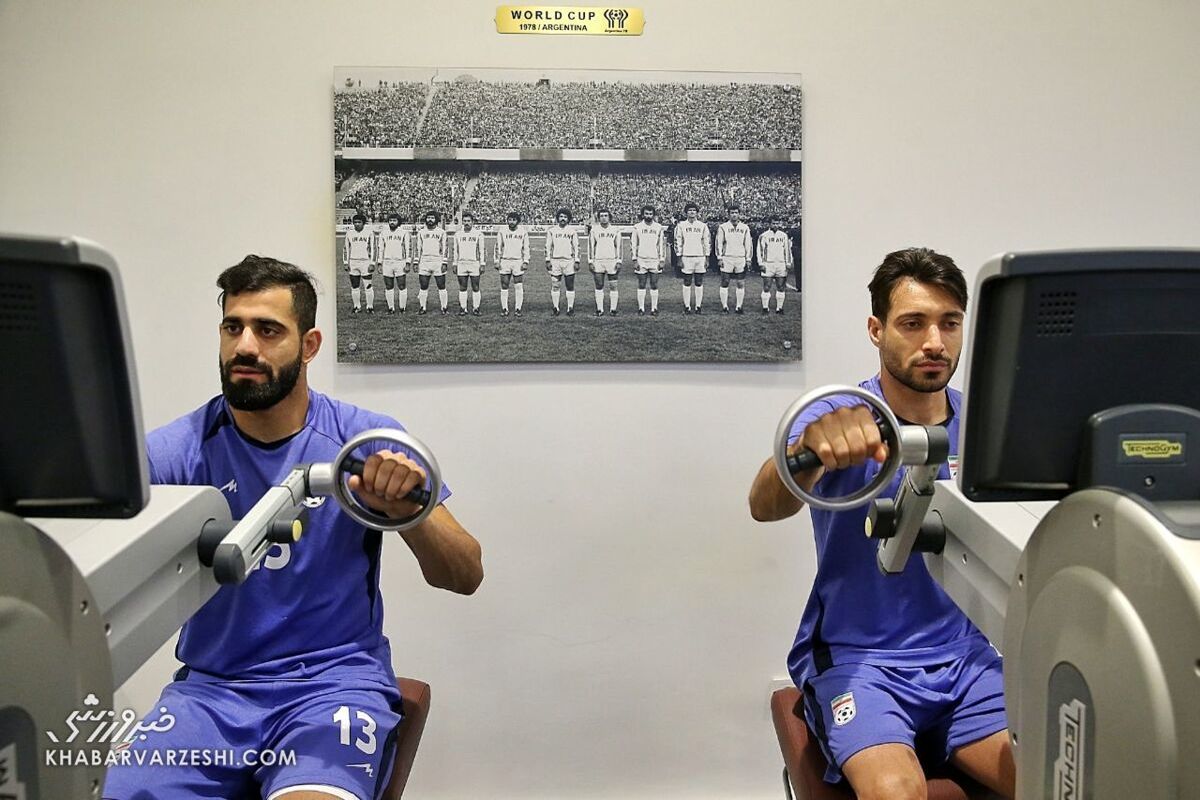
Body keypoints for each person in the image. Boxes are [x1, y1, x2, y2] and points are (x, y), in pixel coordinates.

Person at [102, 256, 484, 800]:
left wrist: (408, 512)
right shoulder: (177, 451)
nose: (245, 347)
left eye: (268, 330)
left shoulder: (362, 442)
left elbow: (464, 573)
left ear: (309, 345)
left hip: (331, 689)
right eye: (233, 327)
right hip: (210, 697)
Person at [747, 248, 1014, 800]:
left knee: (1059, 774)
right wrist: (809, 452)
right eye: (913, 323)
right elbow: (764, 503)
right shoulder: (838, 418)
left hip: (964, 657)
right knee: (896, 792)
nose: (934, 342)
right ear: (877, 330)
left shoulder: (985, 426)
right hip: (860, 659)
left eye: (949, 323)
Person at [674, 202, 710, 314]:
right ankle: (687, 306)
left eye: (694, 210)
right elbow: (678, 242)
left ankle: (698, 306)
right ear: (686, 213)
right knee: (687, 281)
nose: (692, 212)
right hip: (686, 256)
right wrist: (679, 257)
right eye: (690, 210)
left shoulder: (703, 226)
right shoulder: (681, 226)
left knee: (699, 281)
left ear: (697, 212)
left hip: (700, 256)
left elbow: (707, 242)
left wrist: (707, 257)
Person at [715, 205, 752, 313]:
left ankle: (739, 307)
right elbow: (719, 243)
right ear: (728, 214)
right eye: (732, 213)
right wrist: (719, 257)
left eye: (736, 212)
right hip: (727, 257)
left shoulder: (745, 228)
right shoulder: (723, 227)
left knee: (740, 283)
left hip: (740, 258)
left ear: (739, 214)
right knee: (725, 281)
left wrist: (748, 258)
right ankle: (724, 306)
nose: (734, 215)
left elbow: (748, 244)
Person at [630, 205, 665, 316]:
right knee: (641, 284)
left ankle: (654, 308)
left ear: (653, 215)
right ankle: (641, 308)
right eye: (646, 214)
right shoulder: (637, 227)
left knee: (654, 284)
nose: (648, 216)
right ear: (643, 214)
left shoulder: (658, 227)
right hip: (641, 259)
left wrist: (662, 259)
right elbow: (633, 244)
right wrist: (634, 260)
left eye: (650, 214)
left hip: (654, 259)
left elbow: (661, 245)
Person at [545, 207, 579, 316]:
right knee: (555, 285)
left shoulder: (572, 231)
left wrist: (577, 260)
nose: (562, 219)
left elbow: (576, 247)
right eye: (561, 216)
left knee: (570, 285)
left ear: (568, 219)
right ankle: (556, 308)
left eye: (565, 217)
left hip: (569, 261)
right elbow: (548, 246)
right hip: (555, 261)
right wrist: (547, 260)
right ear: (557, 218)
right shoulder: (552, 231)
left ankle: (570, 308)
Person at [588, 207, 622, 316]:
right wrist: (590, 261)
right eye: (601, 216)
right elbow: (591, 246)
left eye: (606, 216)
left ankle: (613, 309)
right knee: (599, 284)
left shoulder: (615, 230)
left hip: (612, 260)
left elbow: (619, 246)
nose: (603, 218)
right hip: (598, 261)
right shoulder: (594, 230)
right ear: (598, 218)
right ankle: (600, 309)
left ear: (609, 217)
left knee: (613, 285)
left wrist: (619, 261)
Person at [496, 211, 530, 317]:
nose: (511, 222)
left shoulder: (523, 232)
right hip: (505, 261)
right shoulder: (502, 231)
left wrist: (526, 261)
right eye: (509, 219)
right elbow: (498, 247)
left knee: (518, 285)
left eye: (514, 220)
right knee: (504, 285)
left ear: (518, 221)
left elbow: (526, 248)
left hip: (517, 261)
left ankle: (518, 308)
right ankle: (505, 308)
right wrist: (497, 261)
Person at [414, 210, 448, 315]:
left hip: (438, 261)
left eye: (432, 218)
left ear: (436, 219)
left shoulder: (441, 232)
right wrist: (416, 261)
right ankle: (422, 307)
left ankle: (444, 307)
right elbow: (417, 248)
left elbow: (445, 247)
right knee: (423, 285)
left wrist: (444, 262)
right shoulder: (421, 232)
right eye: (428, 218)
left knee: (441, 285)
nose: (430, 220)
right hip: (424, 261)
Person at [756, 216, 793, 314]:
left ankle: (779, 308)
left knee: (781, 286)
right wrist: (761, 263)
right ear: (770, 224)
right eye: (773, 223)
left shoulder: (783, 235)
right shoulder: (764, 236)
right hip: (768, 264)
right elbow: (759, 251)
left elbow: (787, 250)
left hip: (781, 264)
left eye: (777, 223)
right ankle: (765, 308)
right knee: (767, 286)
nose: (775, 225)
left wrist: (788, 263)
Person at [453, 212, 486, 316]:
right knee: (462, 287)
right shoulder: (458, 234)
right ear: (462, 222)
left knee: (475, 287)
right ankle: (463, 308)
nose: (466, 223)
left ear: (472, 222)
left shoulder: (478, 234)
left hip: (474, 263)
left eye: (468, 221)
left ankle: (476, 308)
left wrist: (482, 263)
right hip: (461, 263)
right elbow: (455, 250)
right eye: (465, 221)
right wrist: (455, 263)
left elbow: (482, 250)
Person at [343, 213, 375, 314]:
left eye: (359, 222)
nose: (357, 224)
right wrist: (345, 262)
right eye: (355, 222)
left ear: (363, 223)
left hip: (365, 262)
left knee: (368, 286)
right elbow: (345, 249)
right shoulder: (349, 233)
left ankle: (370, 307)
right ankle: (357, 306)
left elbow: (373, 248)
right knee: (354, 286)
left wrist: (372, 263)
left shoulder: (369, 233)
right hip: (353, 262)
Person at [377, 212, 409, 314]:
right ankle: (391, 308)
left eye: (394, 220)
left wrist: (408, 262)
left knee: (402, 285)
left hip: (400, 262)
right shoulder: (383, 233)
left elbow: (408, 248)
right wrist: (379, 263)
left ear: (398, 222)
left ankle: (402, 308)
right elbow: (381, 249)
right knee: (389, 285)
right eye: (390, 220)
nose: (392, 222)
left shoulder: (404, 233)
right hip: (387, 262)